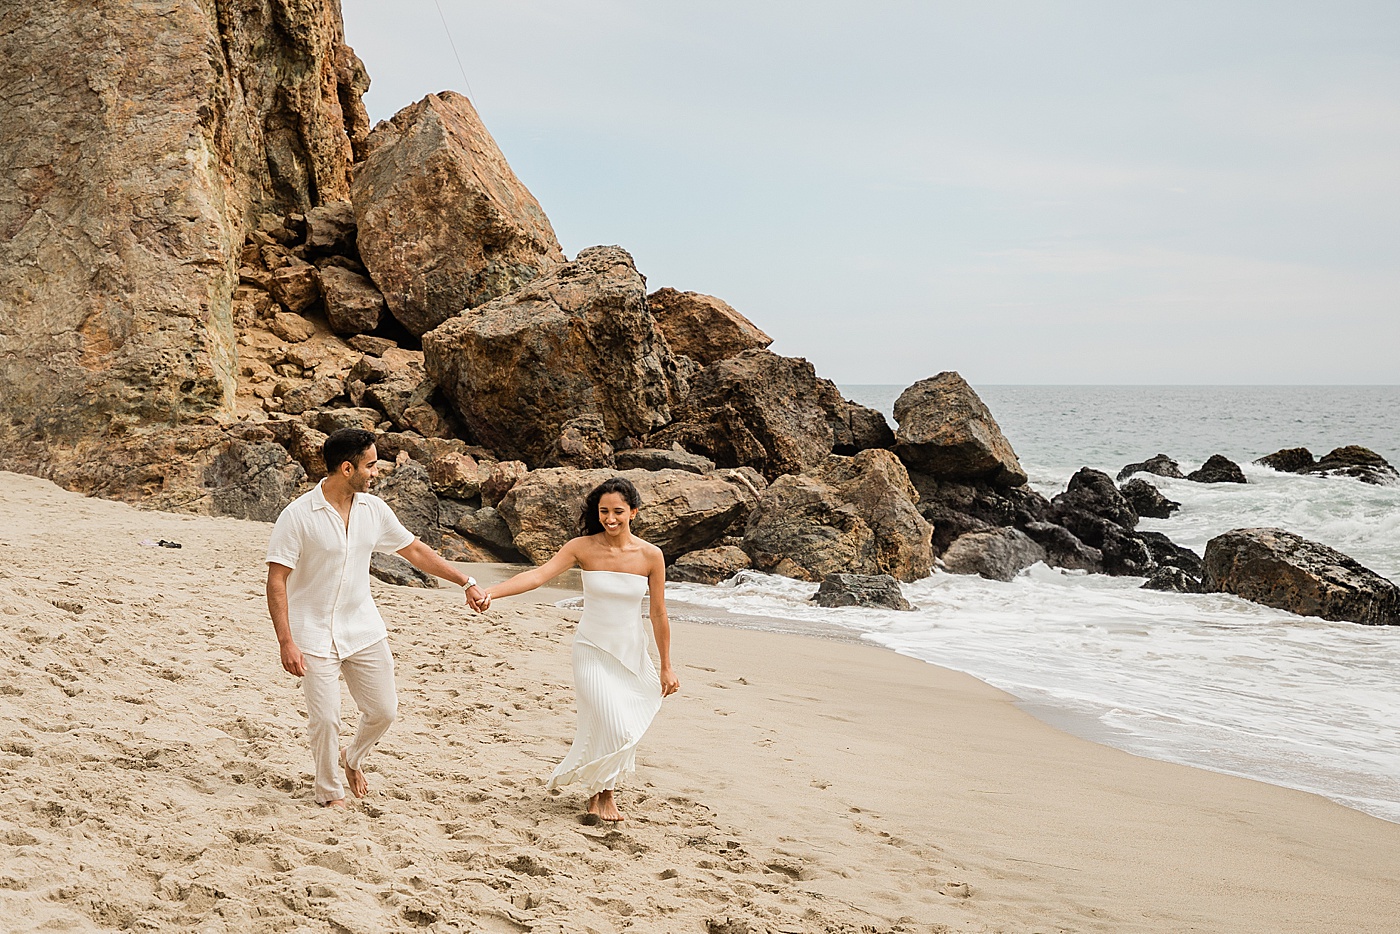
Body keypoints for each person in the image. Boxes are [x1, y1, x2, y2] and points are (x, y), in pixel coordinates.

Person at [265, 428, 489, 808]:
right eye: (370, 465)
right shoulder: (298, 516)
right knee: (326, 720)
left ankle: (352, 758)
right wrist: (286, 641)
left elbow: (415, 552)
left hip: (363, 627)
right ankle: (329, 792)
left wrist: (464, 580)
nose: (376, 472)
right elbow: (276, 580)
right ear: (347, 468)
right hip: (312, 633)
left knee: (384, 710)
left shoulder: (374, 510)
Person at [471, 477, 680, 823]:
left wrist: (666, 665)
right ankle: (606, 793)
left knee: (616, 723)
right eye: (603, 512)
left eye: (617, 512)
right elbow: (538, 576)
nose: (610, 519)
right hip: (591, 649)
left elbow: (658, 612)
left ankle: (599, 792)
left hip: (630, 652)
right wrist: (492, 591)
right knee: (609, 719)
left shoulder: (650, 556)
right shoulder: (582, 547)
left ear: (633, 512)